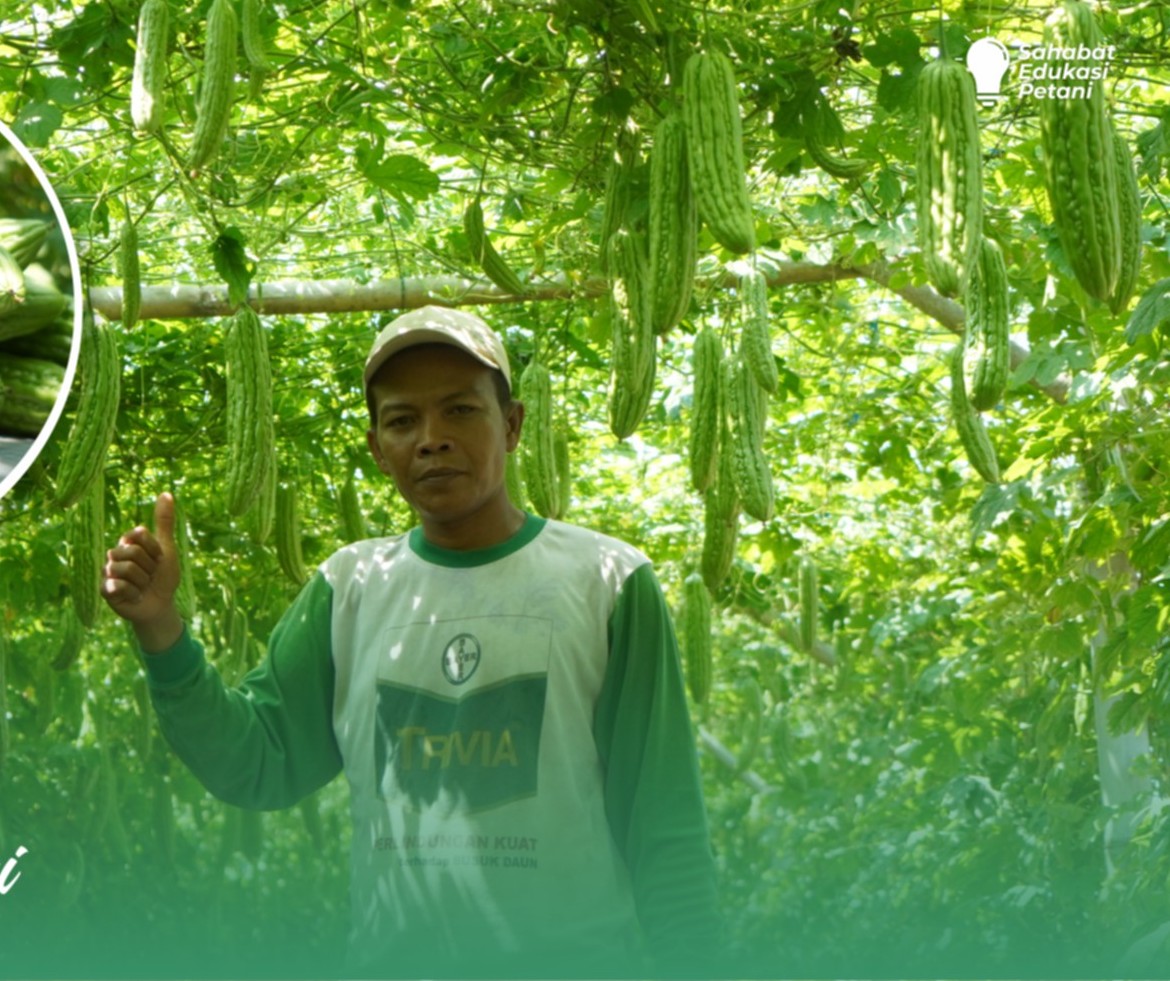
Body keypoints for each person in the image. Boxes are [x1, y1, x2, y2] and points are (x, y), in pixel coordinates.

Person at [100, 305, 723, 978]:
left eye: (460, 411)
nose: (431, 439)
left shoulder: (607, 582)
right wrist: (161, 629)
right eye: (402, 421)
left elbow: (666, 831)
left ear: (511, 425)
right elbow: (256, 761)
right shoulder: (350, 587)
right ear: (377, 447)